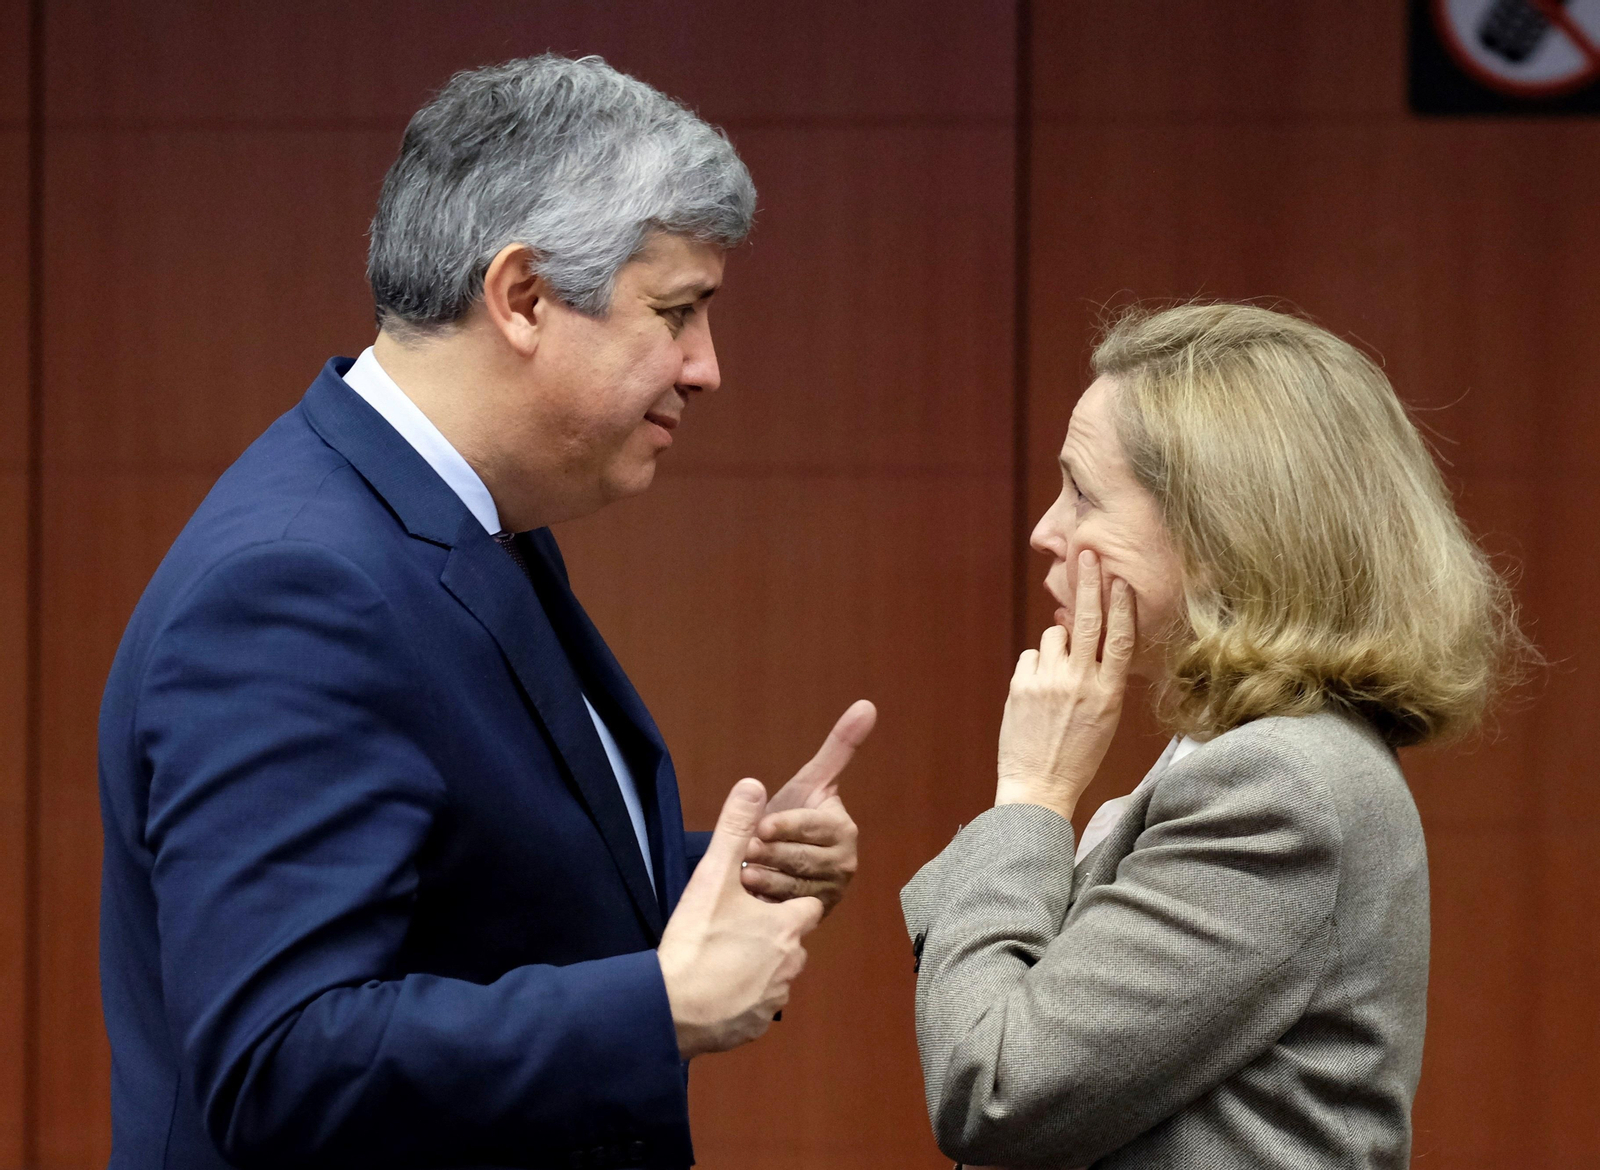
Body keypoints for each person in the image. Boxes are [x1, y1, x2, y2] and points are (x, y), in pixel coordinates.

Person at [98, 54, 875, 1170]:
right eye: (677, 312)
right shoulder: (293, 588)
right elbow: (280, 1061)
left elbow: (465, 891)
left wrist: (729, 877)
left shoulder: (461, 518)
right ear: (522, 298)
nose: (705, 367)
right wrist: (660, 1010)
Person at [902, 303, 1527, 1169]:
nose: (1046, 529)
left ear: (1218, 535)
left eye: (1083, 492)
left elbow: (996, 1088)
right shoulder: (1255, 757)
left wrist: (1032, 799)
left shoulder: (1275, 786)